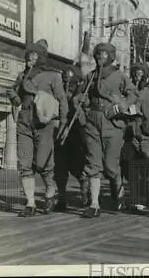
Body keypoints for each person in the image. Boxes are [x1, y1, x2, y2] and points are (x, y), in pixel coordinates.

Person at [6, 41, 68, 217]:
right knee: (25, 163)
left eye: (34, 55)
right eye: (28, 55)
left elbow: (62, 99)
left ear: (41, 58)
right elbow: (12, 91)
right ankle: (30, 203)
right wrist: (16, 99)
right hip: (24, 122)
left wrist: (63, 120)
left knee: (43, 164)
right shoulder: (22, 76)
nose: (30, 58)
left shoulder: (53, 76)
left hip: (44, 124)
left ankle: (50, 191)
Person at [80, 42, 137, 218]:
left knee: (111, 166)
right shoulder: (90, 77)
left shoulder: (120, 76)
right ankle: (94, 204)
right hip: (93, 121)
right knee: (93, 163)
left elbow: (133, 94)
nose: (101, 57)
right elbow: (81, 96)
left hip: (113, 123)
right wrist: (81, 101)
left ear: (111, 57)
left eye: (105, 55)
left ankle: (119, 193)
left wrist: (122, 106)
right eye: (98, 55)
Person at [121, 62, 149, 210]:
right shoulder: (127, 90)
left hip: (146, 134)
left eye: (141, 73)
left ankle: (141, 198)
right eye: (135, 73)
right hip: (129, 133)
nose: (138, 76)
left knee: (144, 166)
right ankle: (134, 197)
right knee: (128, 165)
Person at [54, 64, 89, 211]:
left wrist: (80, 107)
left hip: (77, 135)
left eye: (72, 84)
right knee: (60, 169)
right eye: (65, 83)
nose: (68, 87)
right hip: (60, 133)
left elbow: (84, 121)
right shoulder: (57, 94)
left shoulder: (83, 97)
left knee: (79, 168)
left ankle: (86, 195)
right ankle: (62, 199)